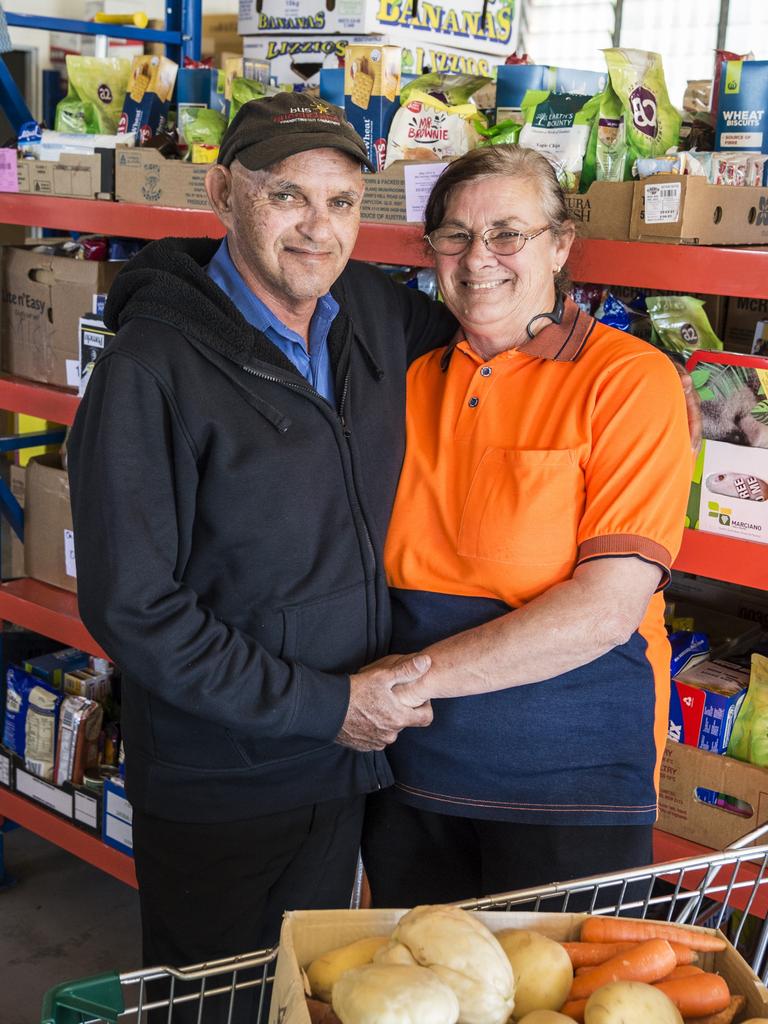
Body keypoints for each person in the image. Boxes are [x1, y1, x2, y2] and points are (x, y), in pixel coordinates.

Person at [66, 92, 455, 1001]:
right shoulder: (149, 371)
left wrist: (598, 360)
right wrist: (325, 707)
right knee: (224, 1002)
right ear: (222, 192)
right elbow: (134, 609)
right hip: (228, 783)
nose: (319, 229)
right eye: (288, 196)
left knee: (321, 996)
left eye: (343, 202)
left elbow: (492, 343)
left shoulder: (367, 309)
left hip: (353, 765)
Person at [362, 145, 693, 907]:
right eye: (455, 235)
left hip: (568, 782)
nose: (480, 259)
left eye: (507, 233)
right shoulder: (407, 382)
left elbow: (605, 610)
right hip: (409, 772)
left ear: (561, 245)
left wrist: (400, 685)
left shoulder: (627, 380)